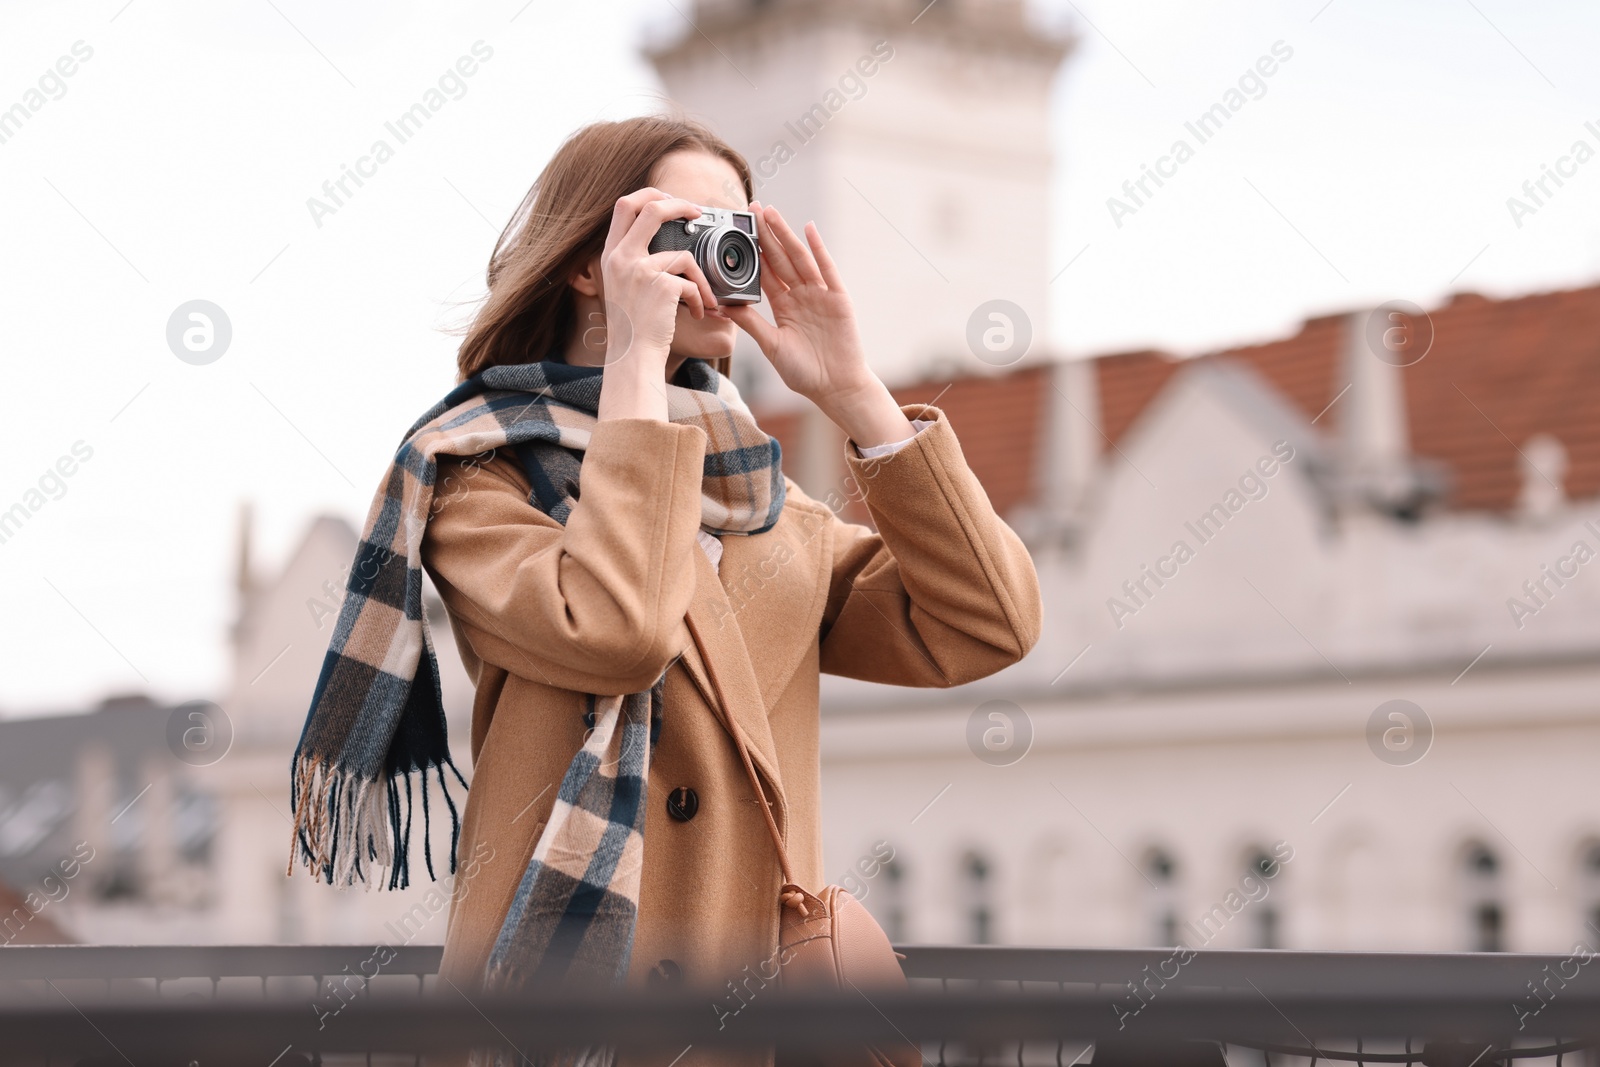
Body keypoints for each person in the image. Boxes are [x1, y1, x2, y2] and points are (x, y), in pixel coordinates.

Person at [299, 113, 1041, 1067]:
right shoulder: (477, 483)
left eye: (738, 233)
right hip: (557, 1031)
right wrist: (635, 366)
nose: (719, 257)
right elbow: (618, 628)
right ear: (588, 262)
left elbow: (988, 622)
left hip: (757, 1031)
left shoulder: (769, 506)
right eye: (685, 228)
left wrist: (855, 392)